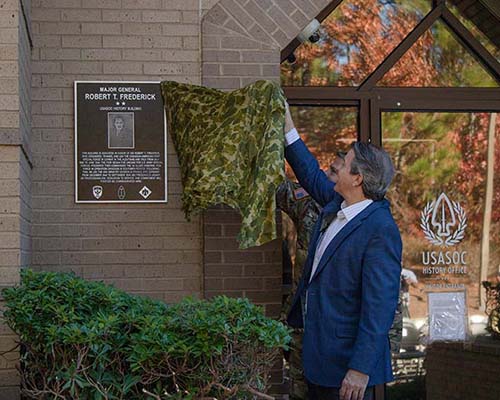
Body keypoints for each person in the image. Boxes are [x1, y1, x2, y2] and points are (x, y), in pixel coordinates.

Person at [283, 103, 402, 400]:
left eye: (344, 163)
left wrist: (360, 368)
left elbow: (379, 307)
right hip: (319, 360)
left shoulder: (379, 229)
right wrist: (287, 126)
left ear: (358, 178)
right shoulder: (338, 206)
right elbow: (309, 173)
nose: (334, 169)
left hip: (347, 371)